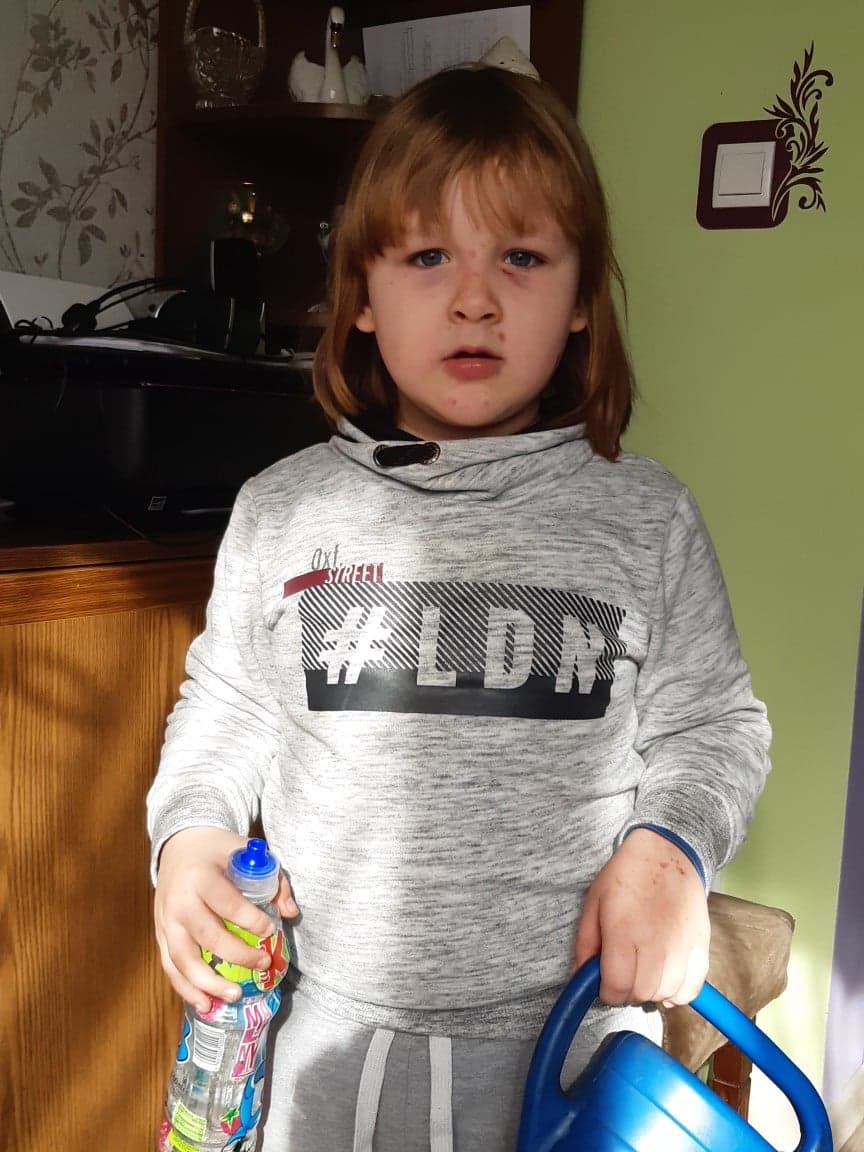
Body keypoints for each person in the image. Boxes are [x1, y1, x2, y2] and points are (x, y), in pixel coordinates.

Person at [147, 64, 771, 1152]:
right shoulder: (280, 510)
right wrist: (190, 839)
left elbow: (713, 727)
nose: (474, 298)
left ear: (581, 301)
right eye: (428, 256)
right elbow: (228, 709)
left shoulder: (647, 519)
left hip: (570, 1056)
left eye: (521, 257)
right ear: (361, 295)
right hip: (320, 1046)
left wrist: (672, 851)